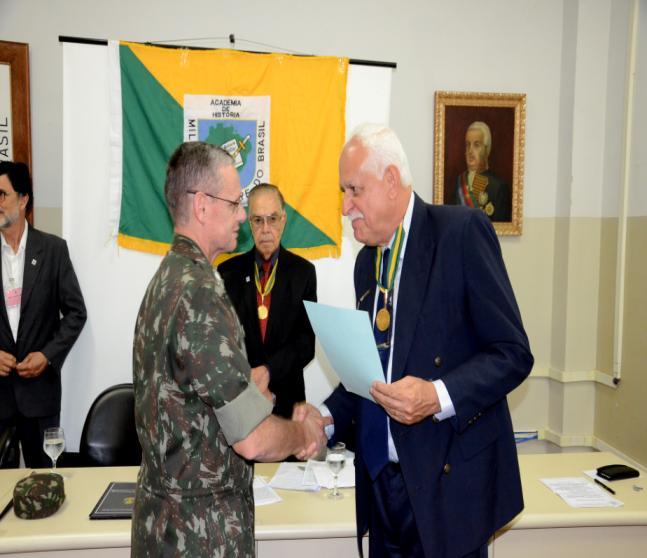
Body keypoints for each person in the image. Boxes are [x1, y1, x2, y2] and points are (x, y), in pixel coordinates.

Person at [307, 124, 533, 558]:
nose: (344, 206)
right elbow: (373, 373)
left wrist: (437, 395)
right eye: (342, 191)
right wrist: (325, 418)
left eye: (354, 190)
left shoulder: (460, 234)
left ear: (391, 181)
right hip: (382, 492)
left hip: (445, 495)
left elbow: (513, 353)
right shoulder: (366, 264)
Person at [131, 142, 325, 557]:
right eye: (236, 203)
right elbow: (252, 439)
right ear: (202, 206)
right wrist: (301, 431)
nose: (243, 216)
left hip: (165, 524)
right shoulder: (200, 293)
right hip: (200, 534)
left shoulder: (167, 279)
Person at [0, 161, 87, 468]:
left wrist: (47, 356)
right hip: (0, 397)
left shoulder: (52, 250)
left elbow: (76, 313)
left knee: (46, 484)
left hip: (40, 394)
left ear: (23, 199)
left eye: (2, 195)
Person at [218, 183, 316, 419]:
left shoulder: (303, 272)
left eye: (272, 219)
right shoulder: (227, 272)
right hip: (240, 399)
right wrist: (251, 383)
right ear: (248, 222)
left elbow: (306, 343)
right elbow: (222, 341)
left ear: (283, 220)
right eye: (257, 220)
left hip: (288, 403)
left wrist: (268, 372)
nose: (265, 229)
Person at [454, 121, 511, 222]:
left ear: (486, 149)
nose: (470, 151)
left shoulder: (498, 186)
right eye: (467, 145)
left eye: (476, 145)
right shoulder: (459, 181)